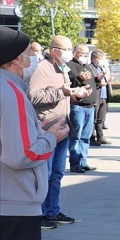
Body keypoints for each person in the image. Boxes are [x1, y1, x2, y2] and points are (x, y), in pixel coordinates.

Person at [0, 27, 69, 240]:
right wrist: (51, 138)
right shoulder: (10, 92)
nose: (33, 59)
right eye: (29, 52)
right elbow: (22, 154)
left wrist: (37, 131)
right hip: (15, 204)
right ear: (15, 59)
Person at [29, 35, 91, 229]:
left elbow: (64, 94)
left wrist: (76, 95)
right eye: (66, 49)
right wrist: (63, 92)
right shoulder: (43, 68)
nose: (69, 52)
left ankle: (52, 211)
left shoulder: (61, 68)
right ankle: (39, 214)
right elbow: (33, 96)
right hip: (47, 129)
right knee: (45, 174)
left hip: (63, 127)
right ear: (55, 51)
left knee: (56, 173)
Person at [66, 44, 100, 173]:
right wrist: (79, 79)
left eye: (87, 54)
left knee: (85, 137)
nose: (85, 56)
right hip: (78, 107)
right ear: (75, 53)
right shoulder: (69, 66)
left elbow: (91, 83)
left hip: (89, 107)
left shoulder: (87, 67)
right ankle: (75, 163)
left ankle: (83, 161)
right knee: (76, 137)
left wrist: (97, 81)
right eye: (82, 53)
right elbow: (68, 83)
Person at [90, 49, 112, 145]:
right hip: (96, 95)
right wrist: (98, 82)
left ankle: (100, 136)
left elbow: (105, 79)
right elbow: (91, 81)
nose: (103, 61)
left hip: (103, 95)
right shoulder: (90, 68)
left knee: (101, 118)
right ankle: (91, 137)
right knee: (93, 117)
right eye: (101, 59)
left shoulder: (102, 67)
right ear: (95, 59)